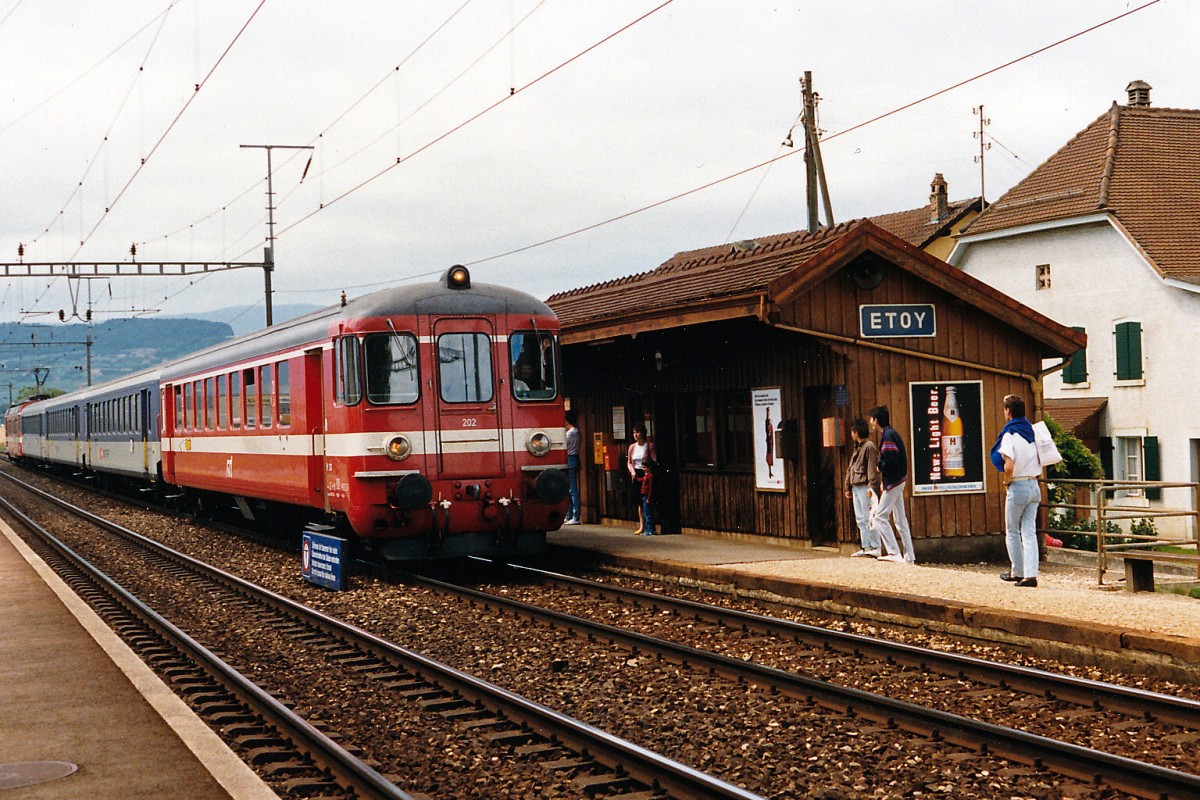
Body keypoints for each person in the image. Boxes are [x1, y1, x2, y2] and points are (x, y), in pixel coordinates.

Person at [990, 394, 1041, 587]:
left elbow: (1008, 465)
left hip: (1018, 484)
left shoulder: (1010, 434)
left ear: (1008, 412)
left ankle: (1017, 571)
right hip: (1034, 485)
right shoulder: (1032, 431)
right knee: (1029, 532)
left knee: (1012, 531)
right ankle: (1031, 574)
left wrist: (1006, 481)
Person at [869, 405, 916, 564]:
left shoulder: (887, 436)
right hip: (898, 479)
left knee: (880, 517)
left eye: (872, 419)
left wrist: (880, 467)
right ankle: (909, 556)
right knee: (900, 519)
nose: (870, 422)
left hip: (894, 482)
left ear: (876, 420)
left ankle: (894, 552)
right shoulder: (891, 433)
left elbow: (890, 461)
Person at [844, 418, 881, 558]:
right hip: (856, 487)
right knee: (860, 518)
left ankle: (875, 546)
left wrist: (871, 487)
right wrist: (848, 486)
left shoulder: (869, 447)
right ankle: (866, 546)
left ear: (856, 432)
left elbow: (872, 469)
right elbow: (851, 469)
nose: (851, 434)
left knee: (869, 517)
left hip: (864, 486)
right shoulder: (858, 447)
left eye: (853, 432)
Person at [627, 423, 656, 535]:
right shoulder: (632, 447)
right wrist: (632, 472)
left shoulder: (649, 446)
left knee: (647, 500)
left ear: (643, 433)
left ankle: (650, 526)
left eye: (637, 432)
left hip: (646, 474)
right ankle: (642, 525)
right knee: (639, 501)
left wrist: (650, 470)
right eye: (634, 432)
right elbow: (629, 462)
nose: (635, 435)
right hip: (636, 474)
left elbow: (654, 459)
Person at [563, 410, 581, 525]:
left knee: (572, 490)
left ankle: (574, 516)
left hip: (570, 458)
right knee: (571, 489)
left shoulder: (570, 434)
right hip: (574, 458)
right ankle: (570, 515)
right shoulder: (577, 432)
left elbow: (564, 444)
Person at [639, 459, 657, 535]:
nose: (643, 469)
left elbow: (650, 488)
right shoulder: (646, 476)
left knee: (647, 513)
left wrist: (648, 498)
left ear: (648, 467)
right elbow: (642, 479)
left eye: (644, 467)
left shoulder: (650, 476)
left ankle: (649, 530)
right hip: (644, 495)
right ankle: (650, 529)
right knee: (648, 513)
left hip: (646, 496)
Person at [764, 408, 775, 479]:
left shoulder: (770, 425)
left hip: (771, 442)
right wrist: (767, 412)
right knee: (769, 456)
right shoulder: (768, 430)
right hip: (769, 443)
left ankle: (770, 472)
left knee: (770, 456)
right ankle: (769, 472)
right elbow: (767, 419)